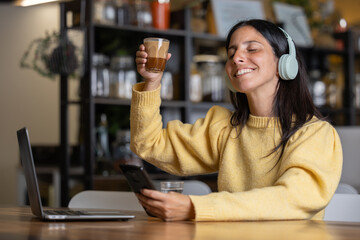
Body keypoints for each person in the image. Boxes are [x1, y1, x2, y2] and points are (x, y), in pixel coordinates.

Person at [131, 19, 343, 222]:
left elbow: (292, 199)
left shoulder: (315, 133)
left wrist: (195, 208)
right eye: (231, 53)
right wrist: (151, 82)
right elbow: (149, 144)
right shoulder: (224, 127)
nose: (236, 58)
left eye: (252, 49)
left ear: (285, 63)